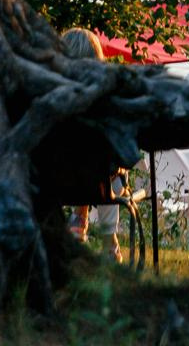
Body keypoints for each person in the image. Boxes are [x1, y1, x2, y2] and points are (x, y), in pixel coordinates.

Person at [61, 27, 123, 260]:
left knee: (92, 170)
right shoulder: (106, 98)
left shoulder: (52, 95)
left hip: (59, 184)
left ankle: (79, 219)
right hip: (99, 184)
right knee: (109, 175)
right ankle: (109, 241)